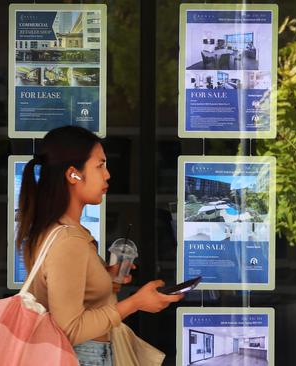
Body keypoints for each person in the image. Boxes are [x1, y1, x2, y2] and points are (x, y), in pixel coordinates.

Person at [16, 126, 183, 366]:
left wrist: (102, 278)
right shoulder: (68, 240)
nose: (107, 175)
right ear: (73, 174)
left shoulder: (54, 231)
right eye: (99, 165)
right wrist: (136, 303)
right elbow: (71, 328)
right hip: (84, 357)